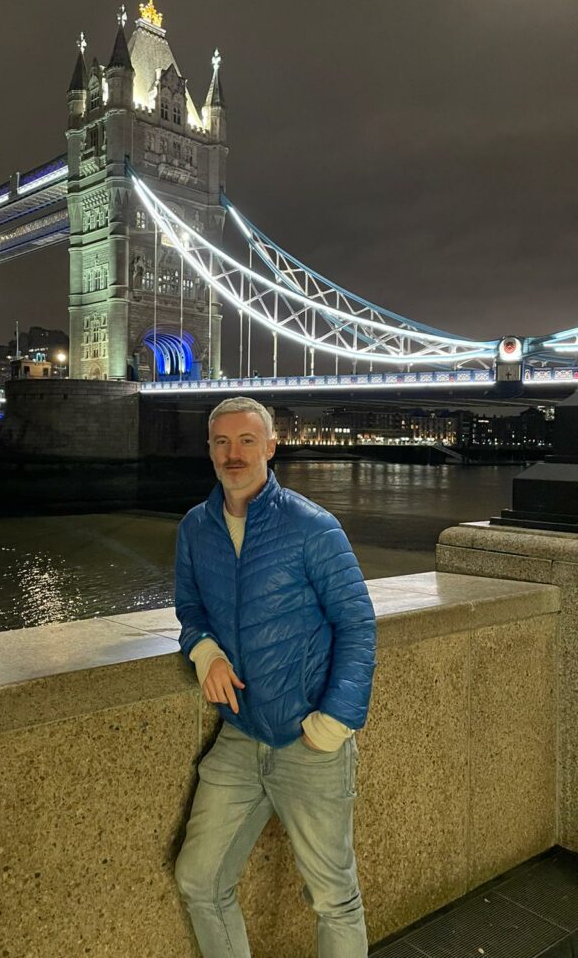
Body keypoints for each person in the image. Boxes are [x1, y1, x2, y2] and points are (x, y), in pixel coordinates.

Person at [174, 396, 377, 958]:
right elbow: (190, 610)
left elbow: (357, 625)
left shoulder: (313, 527)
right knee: (199, 880)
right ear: (209, 449)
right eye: (221, 441)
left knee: (334, 898)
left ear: (270, 446)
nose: (232, 454)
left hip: (309, 741)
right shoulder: (196, 527)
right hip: (240, 733)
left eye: (245, 441)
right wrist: (205, 653)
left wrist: (334, 723)